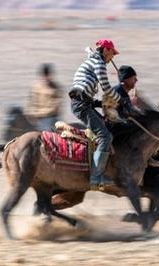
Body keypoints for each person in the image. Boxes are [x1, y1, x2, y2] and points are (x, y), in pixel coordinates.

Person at [68, 39, 121, 191]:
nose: (113, 58)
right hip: (81, 105)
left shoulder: (94, 62)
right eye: (112, 53)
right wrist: (120, 99)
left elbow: (90, 92)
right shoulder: (99, 64)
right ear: (105, 50)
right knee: (105, 136)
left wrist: (99, 104)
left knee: (105, 127)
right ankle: (96, 177)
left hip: (83, 103)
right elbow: (106, 88)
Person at [113, 65, 159, 167]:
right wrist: (133, 107)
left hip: (120, 120)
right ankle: (145, 156)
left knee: (146, 119)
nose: (136, 80)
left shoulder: (122, 92)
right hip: (115, 123)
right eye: (134, 78)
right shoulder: (118, 91)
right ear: (126, 79)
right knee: (144, 126)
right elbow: (118, 112)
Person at [26, 63, 62, 131]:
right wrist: (31, 113)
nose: (46, 78)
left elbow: (54, 108)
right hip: (35, 119)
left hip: (50, 119)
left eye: (47, 75)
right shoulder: (36, 87)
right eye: (44, 75)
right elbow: (31, 103)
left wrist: (39, 114)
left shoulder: (55, 88)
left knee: (48, 132)